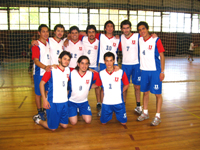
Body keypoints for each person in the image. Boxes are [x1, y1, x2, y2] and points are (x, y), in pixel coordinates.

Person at [33, 51, 71, 131]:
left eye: (68, 60)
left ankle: (53, 119)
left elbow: (81, 68)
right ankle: (38, 120)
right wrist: (44, 100)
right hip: (53, 102)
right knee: (53, 128)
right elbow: (41, 84)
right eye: (64, 59)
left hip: (64, 102)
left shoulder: (68, 70)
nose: (66, 61)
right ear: (59, 59)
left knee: (64, 126)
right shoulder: (51, 70)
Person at [137, 21, 165, 126]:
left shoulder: (156, 40)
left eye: (143, 29)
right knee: (145, 92)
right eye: (139, 30)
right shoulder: (139, 39)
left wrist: (162, 71)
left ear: (147, 29)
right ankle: (145, 113)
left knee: (157, 94)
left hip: (155, 71)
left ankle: (157, 116)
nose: (142, 31)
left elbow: (162, 56)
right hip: (144, 71)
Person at [68, 55, 101, 125]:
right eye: (82, 63)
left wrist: (89, 86)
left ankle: (79, 110)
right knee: (73, 122)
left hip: (84, 102)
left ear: (88, 65)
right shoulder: (71, 73)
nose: (84, 65)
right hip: (72, 102)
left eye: (86, 63)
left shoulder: (91, 74)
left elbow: (100, 79)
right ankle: (70, 110)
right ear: (78, 64)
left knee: (88, 121)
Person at [98, 52, 129, 125]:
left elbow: (127, 84)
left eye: (111, 60)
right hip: (106, 103)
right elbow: (99, 86)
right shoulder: (101, 73)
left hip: (118, 102)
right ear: (104, 61)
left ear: (114, 61)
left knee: (124, 123)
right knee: (103, 122)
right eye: (107, 60)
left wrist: (120, 92)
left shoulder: (120, 72)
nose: (109, 63)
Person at [119, 20, 142, 114]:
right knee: (125, 86)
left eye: (127, 28)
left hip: (136, 65)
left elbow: (147, 36)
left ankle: (138, 106)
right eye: (124, 28)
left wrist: (154, 35)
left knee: (137, 87)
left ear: (131, 28)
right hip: (125, 65)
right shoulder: (120, 37)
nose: (126, 30)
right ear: (121, 29)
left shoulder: (137, 36)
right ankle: (123, 105)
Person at [32, 24, 51, 120]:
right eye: (43, 31)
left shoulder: (48, 43)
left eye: (47, 31)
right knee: (38, 93)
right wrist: (45, 67)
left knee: (47, 91)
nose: (45, 33)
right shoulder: (36, 45)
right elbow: (36, 61)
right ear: (39, 33)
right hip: (39, 72)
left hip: (47, 72)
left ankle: (45, 110)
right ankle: (39, 111)